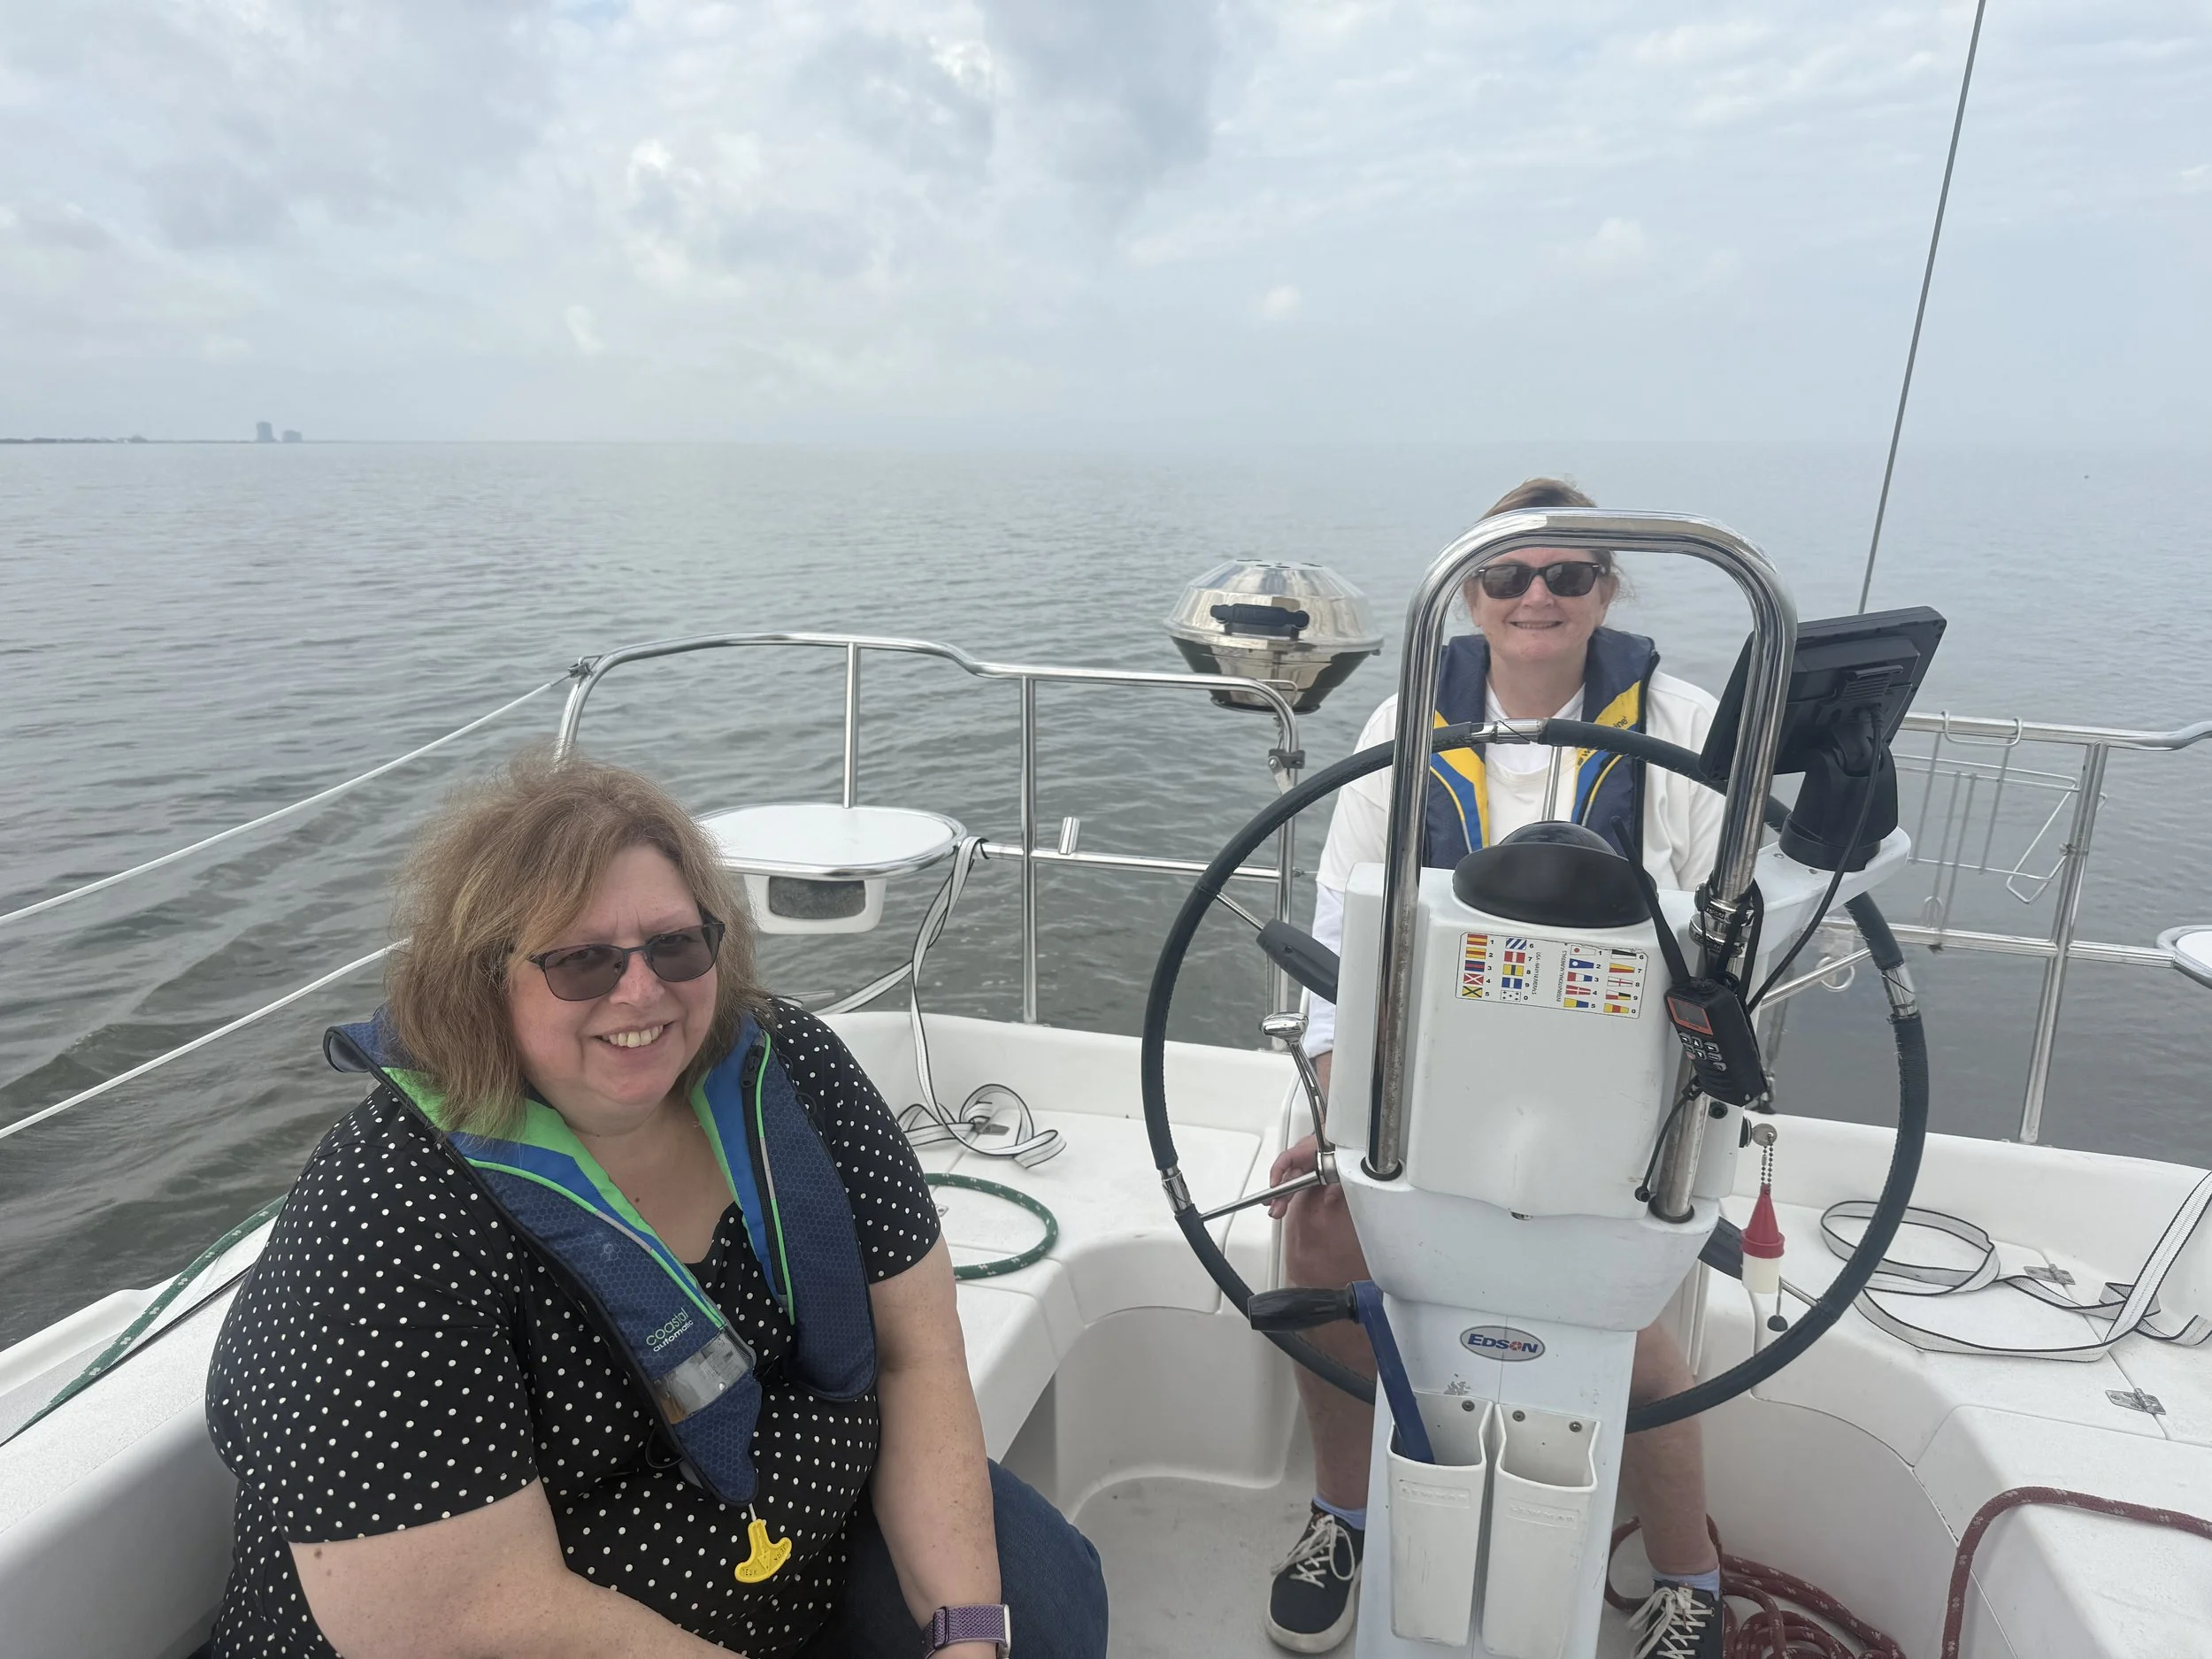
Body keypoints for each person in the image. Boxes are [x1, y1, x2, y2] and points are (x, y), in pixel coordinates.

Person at [204, 753, 1107, 1659]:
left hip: (800, 1563)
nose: (640, 992)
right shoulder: (390, 1214)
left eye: (675, 944)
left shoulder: (792, 1073)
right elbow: (454, 1616)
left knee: (1045, 1602)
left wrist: (965, 1634)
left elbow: (917, 1352)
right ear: (483, 981)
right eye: (581, 962)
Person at [1262, 479, 1729, 1659]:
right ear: (1469, 594)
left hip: (1621, 1080)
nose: (1536, 596)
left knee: (1614, 1282)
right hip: (1425, 1060)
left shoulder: (1680, 722)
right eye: (1508, 575)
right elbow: (1337, 924)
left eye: (1567, 574)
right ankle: (1343, 1508)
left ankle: (1688, 1571)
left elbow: (1739, 936)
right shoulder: (1400, 724)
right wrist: (1330, 1082)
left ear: (1605, 591)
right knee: (1312, 1213)